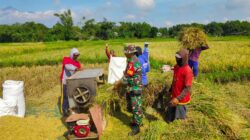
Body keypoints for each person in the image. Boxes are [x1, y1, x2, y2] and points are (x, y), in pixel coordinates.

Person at [165, 48, 193, 123]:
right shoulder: (177, 67)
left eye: (179, 58)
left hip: (181, 99)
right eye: (176, 58)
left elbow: (187, 88)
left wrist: (178, 98)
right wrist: (170, 90)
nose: (177, 60)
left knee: (179, 120)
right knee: (169, 116)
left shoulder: (188, 71)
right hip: (174, 95)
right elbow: (174, 80)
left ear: (184, 58)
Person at [121, 45, 143, 136]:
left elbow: (127, 77)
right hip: (136, 86)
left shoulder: (132, 62)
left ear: (130, 53)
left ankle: (137, 128)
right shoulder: (134, 59)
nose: (125, 54)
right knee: (137, 106)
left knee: (136, 108)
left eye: (126, 53)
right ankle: (136, 121)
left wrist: (122, 80)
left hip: (135, 87)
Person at [60, 48, 83, 116]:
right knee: (66, 96)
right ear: (72, 54)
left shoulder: (77, 63)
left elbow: (79, 72)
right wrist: (76, 68)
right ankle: (65, 110)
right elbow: (67, 67)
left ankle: (73, 108)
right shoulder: (66, 59)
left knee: (73, 95)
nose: (76, 56)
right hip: (66, 80)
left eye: (77, 55)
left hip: (73, 81)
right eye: (75, 55)